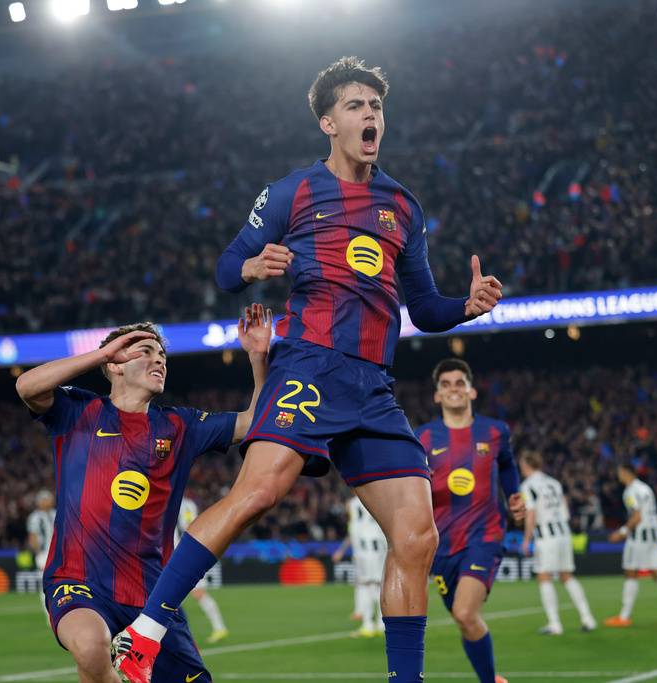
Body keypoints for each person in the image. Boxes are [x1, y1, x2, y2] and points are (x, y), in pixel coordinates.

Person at [113, 56, 504, 683]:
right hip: (309, 365)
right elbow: (225, 265)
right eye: (355, 105)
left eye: (376, 106)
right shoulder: (292, 190)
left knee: (416, 536)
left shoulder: (404, 206)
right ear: (328, 121)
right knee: (257, 495)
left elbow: (425, 309)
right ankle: (144, 633)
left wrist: (467, 306)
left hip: (373, 384)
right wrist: (250, 267)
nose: (370, 114)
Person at [16, 304, 271, 683]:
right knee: (89, 646)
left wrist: (258, 358)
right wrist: (102, 353)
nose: (159, 359)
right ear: (116, 364)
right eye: (146, 351)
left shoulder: (180, 425)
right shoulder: (78, 412)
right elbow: (27, 386)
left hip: (153, 598)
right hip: (78, 581)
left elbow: (256, 422)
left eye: (162, 354)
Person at [415, 358, 523, 683]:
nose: (453, 389)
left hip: (484, 536)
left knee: (464, 612)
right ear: (437, 395)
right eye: (446, 384)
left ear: (471, 390)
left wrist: (513, 496)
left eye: (459, 383)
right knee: (464, 620)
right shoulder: (420, 439)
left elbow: (507, 465)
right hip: (442, 545)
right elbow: (410, 487)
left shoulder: (495, 431)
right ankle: (492, 678)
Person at [518, 450, 597, 635]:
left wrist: (527, 539)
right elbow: (565, 509)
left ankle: (554, 624)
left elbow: (531, 513)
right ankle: (588, 618)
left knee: (544, 577)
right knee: (566, 576)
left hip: (547, 536)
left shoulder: (528, 485)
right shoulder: (553, 483)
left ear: (526, 465)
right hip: (563, 533)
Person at [604, 461, 657, 628]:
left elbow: (637, 517)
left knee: (630, 571)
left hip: (640, 537)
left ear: (626, 473)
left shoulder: (631, 491)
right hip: (653, 534)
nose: (618, 475)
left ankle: (624, 616)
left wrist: (621, 532)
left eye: (619, 472)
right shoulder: (645, 488)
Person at [332, 492, 387, 637]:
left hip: (365, 548)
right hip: (381, 546)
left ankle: (368, 625)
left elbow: (355, 529)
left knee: (365, 585)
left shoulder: (356, 503)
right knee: (381, 585)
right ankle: (382, 624)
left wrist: (356, 552)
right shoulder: (379, 498)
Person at [175, 497, 229, 644]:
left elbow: (188, 526)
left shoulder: (185, 504)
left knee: (196, 593)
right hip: (175, 554)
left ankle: (219, 628)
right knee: (172, 595)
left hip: (185, 554)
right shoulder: (173, 501)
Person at [27, 489, 57, 618]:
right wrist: (38, 554)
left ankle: (57, 608)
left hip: (57, 553)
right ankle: (48, 612)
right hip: (44, 553)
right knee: (44, 583)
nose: (51, 501)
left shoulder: (55, 513)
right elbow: (33, 536)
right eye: (48, 499)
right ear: (41, 502)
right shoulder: (35, 517)